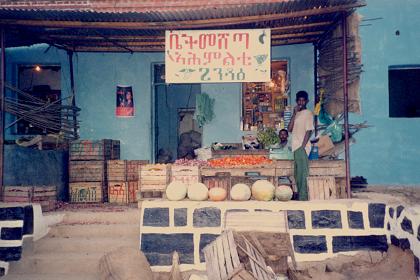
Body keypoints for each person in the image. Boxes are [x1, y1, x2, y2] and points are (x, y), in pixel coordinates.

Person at [288, 90, 314, 201]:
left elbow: (309, 130)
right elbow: (289, 129)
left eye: (303, 100)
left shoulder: (308, 113)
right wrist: (294, 114)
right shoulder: (297, 113)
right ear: (296, 101)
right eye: (299, 100)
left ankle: (303, 197)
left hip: (301, 147)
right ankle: (300, 194)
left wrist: (303, 146)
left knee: (303, 173)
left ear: (307, 101)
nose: (301, 102)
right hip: (295, 146)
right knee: (297, 173)